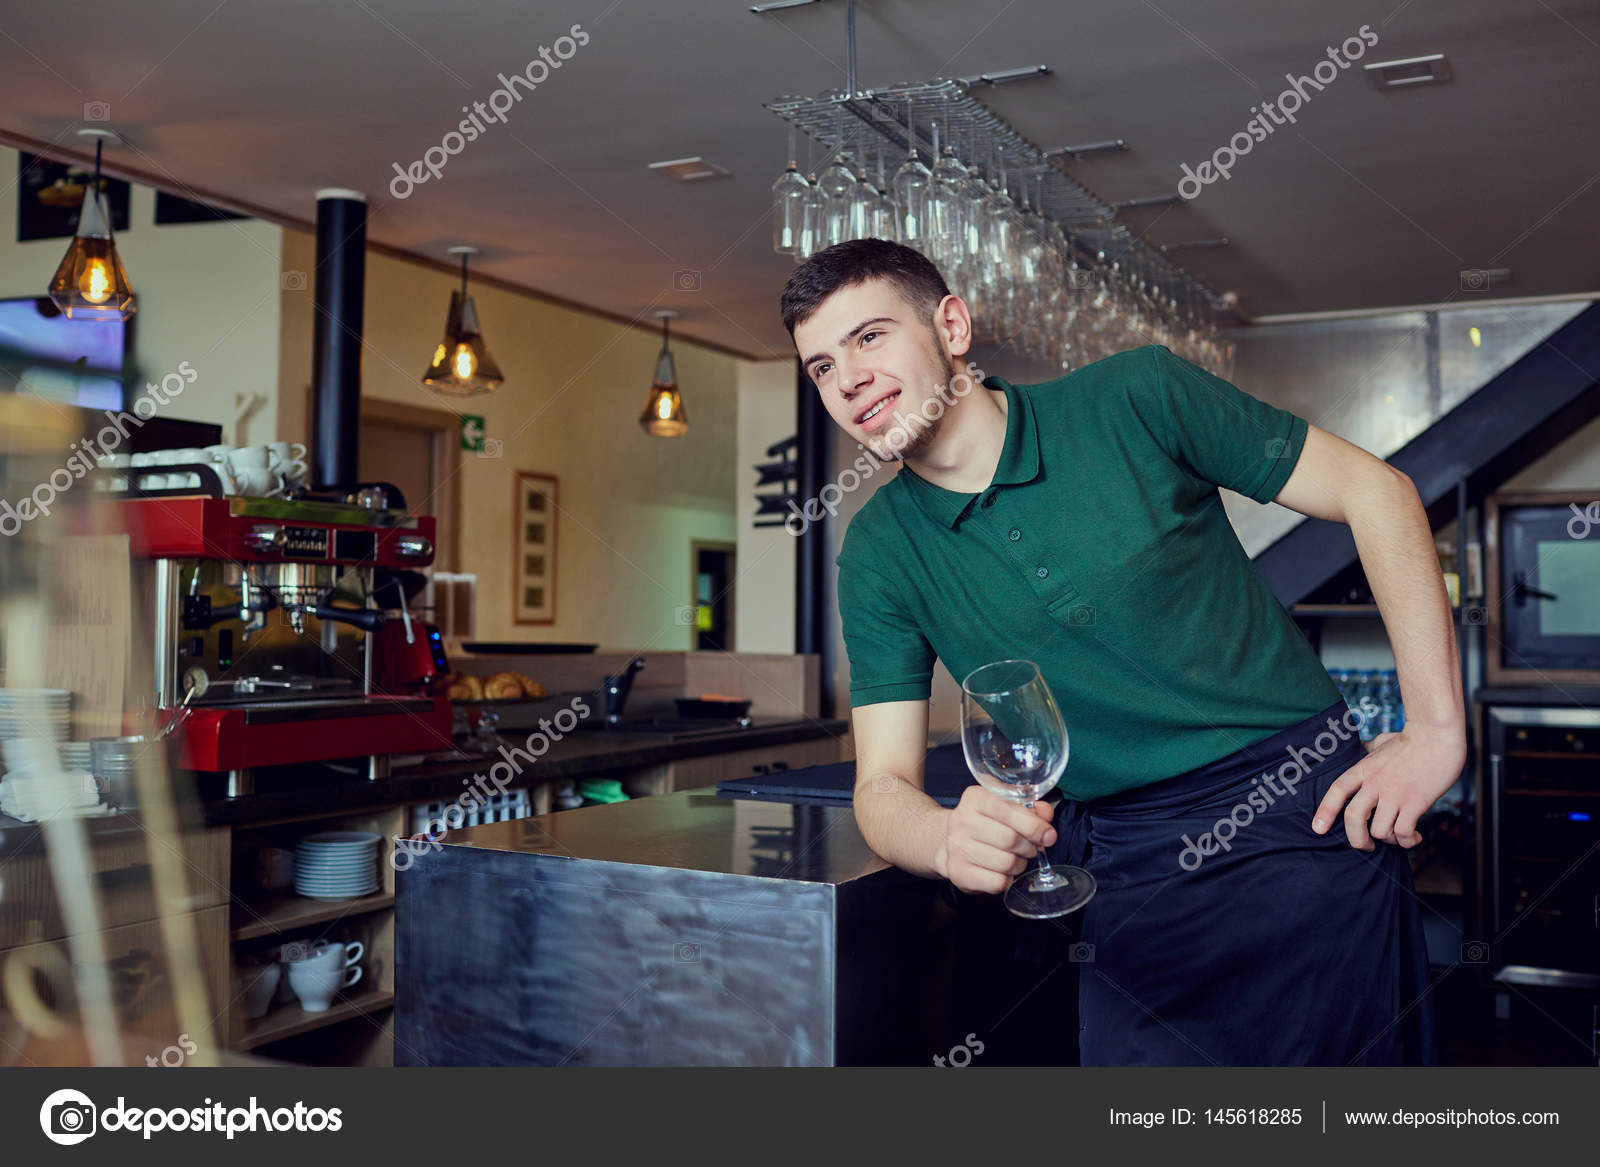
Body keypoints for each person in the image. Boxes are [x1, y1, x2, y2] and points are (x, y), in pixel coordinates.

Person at [780, 238, 1465, 1066]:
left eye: (869, 337)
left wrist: (1434, 727)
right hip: (1123, 876)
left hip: (1303, 827)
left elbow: (1375, 492)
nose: (846, 379)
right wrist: (941, 840)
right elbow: (882, 787)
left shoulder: (1135, 394)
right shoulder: (880, 551)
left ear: (952, 326)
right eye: (820, 367)